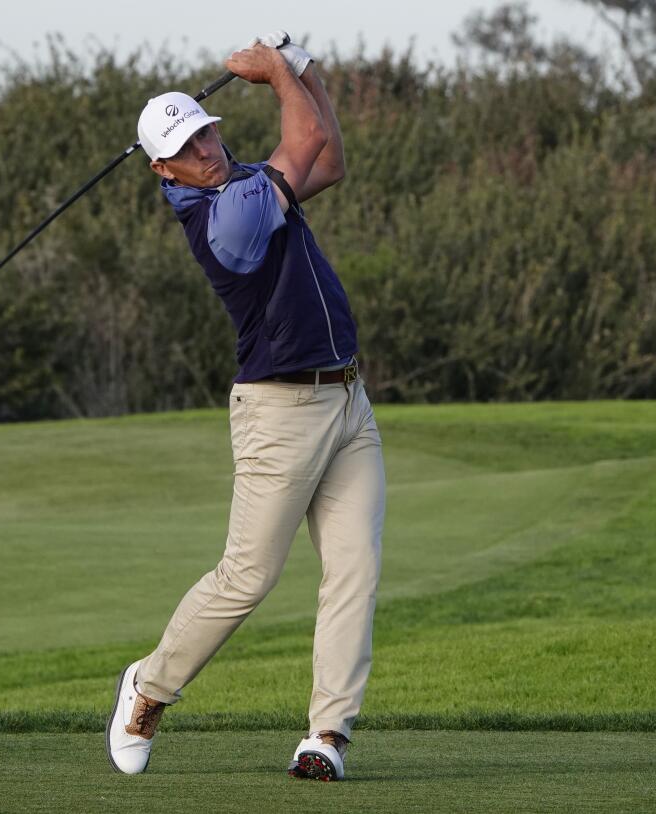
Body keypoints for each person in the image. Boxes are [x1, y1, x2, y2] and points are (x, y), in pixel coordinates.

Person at [106, 31, 386, 782]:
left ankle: (326, 734)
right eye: (188, 148)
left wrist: (304, 72)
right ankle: (149, 688)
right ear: (164, 170)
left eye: (206, 133)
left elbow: (330, 158)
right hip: (280, 412)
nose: (207, 149)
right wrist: (276, 75)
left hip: (347, 401)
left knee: (353, 571)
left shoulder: (245, 182)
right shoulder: (226, 217)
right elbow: (307, 136)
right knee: (247, 578)